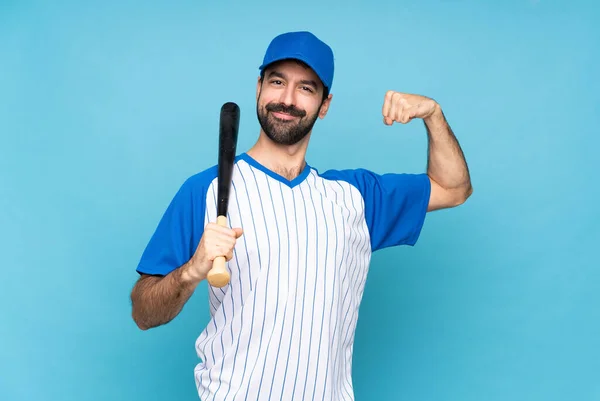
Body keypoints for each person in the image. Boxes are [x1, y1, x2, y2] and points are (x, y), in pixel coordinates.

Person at [130, 31, 472, 401]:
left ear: (324, 104)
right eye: (277, 82)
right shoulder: (207, 191)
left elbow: (453, 188)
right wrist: (193, 269)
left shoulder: (355, 198)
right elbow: (143, 312)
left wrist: (433, 115)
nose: (287, 99)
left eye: (306, 88)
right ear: (259, 87)